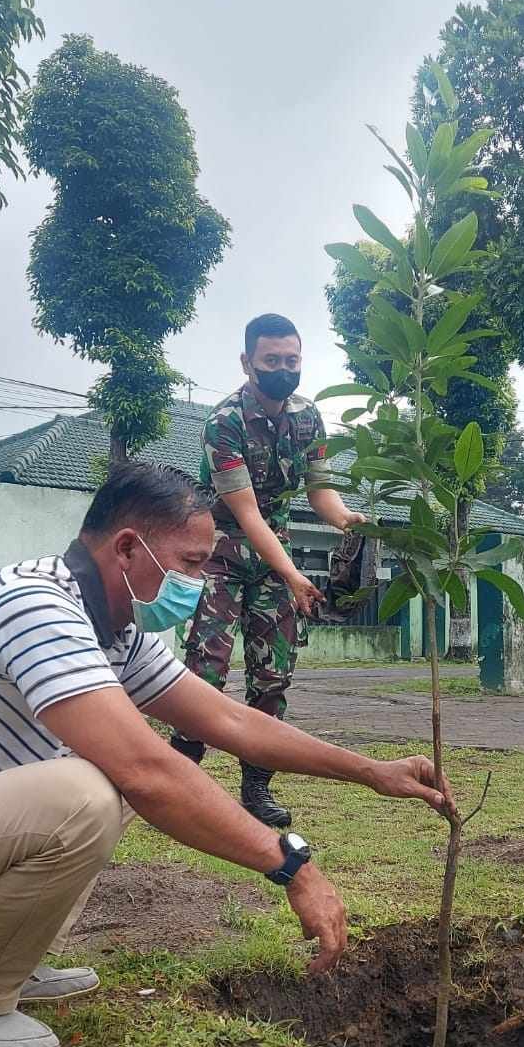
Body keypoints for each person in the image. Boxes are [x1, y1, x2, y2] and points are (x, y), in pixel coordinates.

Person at [0, 462, 450, 1047]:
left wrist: (372, 771)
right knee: (91, 788)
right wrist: (292, 865)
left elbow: (231, 720)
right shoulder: (33, 603)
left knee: (99, 789)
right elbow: (149, 770)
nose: (203, 585)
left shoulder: (113, 632)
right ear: (127, 548)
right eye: (191, 563)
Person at [169, 313, 367, 827]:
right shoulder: (223, 422)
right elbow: (247, 512)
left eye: (292, 360)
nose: (283, 369)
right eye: (271, 361)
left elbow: (319, 489)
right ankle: (180, 780)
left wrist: (346, 518)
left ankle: (256, 789)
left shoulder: (308, 418)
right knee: (206, 670)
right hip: (218, 552)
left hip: (272, 554)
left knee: (274, 673)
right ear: (247, 363)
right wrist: (294, 575)